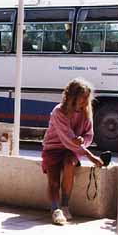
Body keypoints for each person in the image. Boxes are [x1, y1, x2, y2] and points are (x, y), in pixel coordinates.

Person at [41, 78, 103, 225]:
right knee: (54, 180)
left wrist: (82, 140)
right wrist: (90, 156)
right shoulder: (59, 112)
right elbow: (67, 138)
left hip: (72, 150)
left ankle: (65, 205)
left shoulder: (86, 111)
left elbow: (89, 134)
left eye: (86, 100)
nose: (84, 104)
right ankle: (55, 209)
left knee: (69, 163)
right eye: (82, 100)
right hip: (53, 147)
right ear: (71, 98)